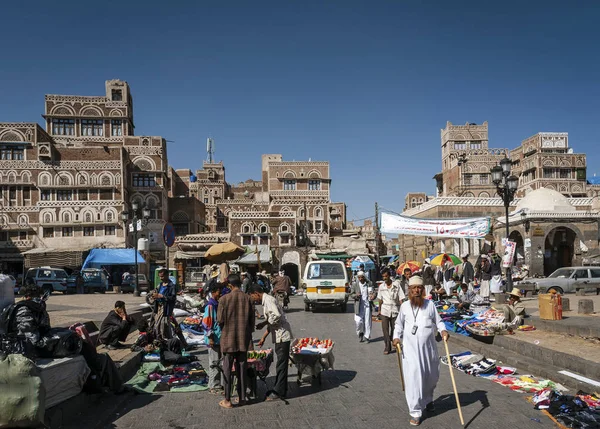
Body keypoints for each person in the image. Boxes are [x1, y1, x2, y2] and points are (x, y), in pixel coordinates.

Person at [392, 276, 449, 426]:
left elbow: (439, 321)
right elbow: (398, 325)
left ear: (423, 290)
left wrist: (443, 331)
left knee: (431, 377)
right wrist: (396, 337)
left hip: (428, 350)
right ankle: (415, 412)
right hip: (410, 352)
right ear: (409, 291)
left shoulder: (430, 305)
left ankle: (428, 400)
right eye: (414, 288)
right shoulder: (404, 306)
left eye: (419, 288)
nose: (417, 290)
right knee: (413, 379)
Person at [217, 273, 255, 409]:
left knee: (227, 369)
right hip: (243, 339)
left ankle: (227, 400)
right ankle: (242, 398)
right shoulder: (248, 299)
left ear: (230, 285)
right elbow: (252, 322)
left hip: (228, 339)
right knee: (242, 369)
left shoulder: (224, 299)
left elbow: (220, 321)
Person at [250, 284, 293, 401]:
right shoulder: (267, 300)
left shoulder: (268, 300)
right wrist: (264, 333)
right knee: (281, 364)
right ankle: (280, 389)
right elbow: (272, 318)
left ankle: (279, 391)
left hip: (282, 336)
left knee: (281, 365)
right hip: (279, 335)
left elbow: (277, 316)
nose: (253, 299)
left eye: (252, 296)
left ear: (256, 293)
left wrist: (266, 323)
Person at [1, 284, 50, 350]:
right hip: (21, 343)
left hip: (32, 339)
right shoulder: (24, 308)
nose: (38, 300)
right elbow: (25, 332)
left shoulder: (38, 307)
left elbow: (46, 325)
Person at [202, 282, 225, 394]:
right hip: (213, 339)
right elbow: (207, 324)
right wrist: (210, 337)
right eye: (219, 292)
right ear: (213, 292)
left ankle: (216, 383)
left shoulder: (216, 303)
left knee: (218, 361)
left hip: (218, 338)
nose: (220, 294)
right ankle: (214, 386)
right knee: (214, 362)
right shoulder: (210, 305)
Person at [377, 270, 404, 354]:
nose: (385, 278)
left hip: (395, 309)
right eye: (383, 277)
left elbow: (401, 298)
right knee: (385, 330)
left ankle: (393, 341)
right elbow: (380, 299)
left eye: (386, 276)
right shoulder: (381, 287)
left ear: (389, 276)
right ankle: (387, 347)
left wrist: (403, 309)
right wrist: (379, 309)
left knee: (394, 329)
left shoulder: (396, 285)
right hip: (385, 310)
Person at [148, 269, 178, 340]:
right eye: (160, 277)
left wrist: (162, 296)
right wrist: (154, 296)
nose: (161, 278)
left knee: (163, 325)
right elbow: (155, 292)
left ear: (167, 275)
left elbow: (173, 298)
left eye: (162, 276)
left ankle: (165, 340)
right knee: (154, 324)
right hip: (158, 307)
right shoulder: (160, 285)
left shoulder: (171, 286)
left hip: (165, 309)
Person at [350, 271, 374, 343]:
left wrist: (373, 296)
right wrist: (356, 295)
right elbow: (351, 294)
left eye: (362, 277)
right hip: (359, 305)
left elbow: (373, 292)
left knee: (367, 322)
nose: (360, 279)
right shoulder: (355, 285)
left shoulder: (369, 284)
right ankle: (360, 332)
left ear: (364, 277)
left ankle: (367, 337)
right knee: (358, 322)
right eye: (359, 277)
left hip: (367, 306)